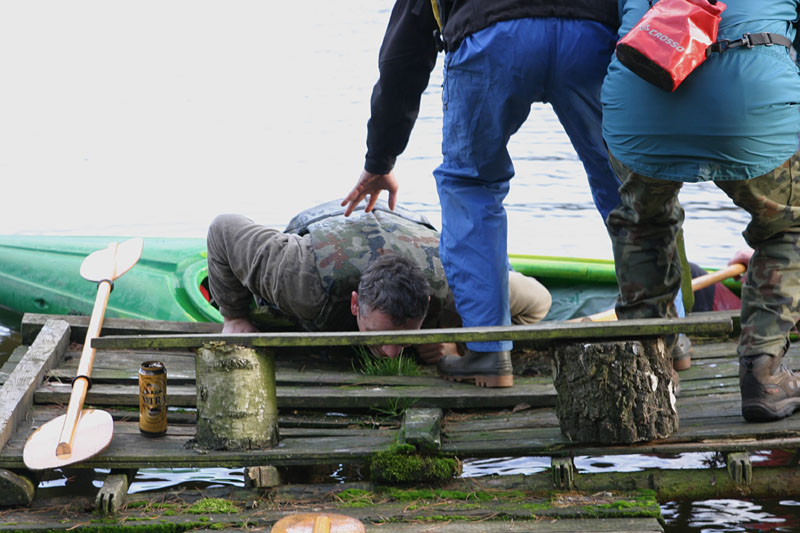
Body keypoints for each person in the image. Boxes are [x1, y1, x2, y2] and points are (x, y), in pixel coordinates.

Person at [342, 0, 621, 387]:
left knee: (471, 188)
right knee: (628, 182)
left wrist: (380, 158)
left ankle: (489, 353)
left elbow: (403, 54)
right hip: (591, 32)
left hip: (491, 33)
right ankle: (665, 332)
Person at [601, 0, 800, 422]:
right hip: (748, 102)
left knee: (643, 222)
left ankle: (646, 371)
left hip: (639, 100)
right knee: (788, 225)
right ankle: (763, 373)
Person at [206, 200, 552, 372]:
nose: (391, 353)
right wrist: (234, 316)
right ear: (355, 304)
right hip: (331, 222)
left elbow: (539, 302)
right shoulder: (300, 278)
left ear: (426, 306)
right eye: (379, 334)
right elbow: (223, 229)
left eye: (405, 338)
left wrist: (459, 343)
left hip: (408, 224)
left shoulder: (455, 289)